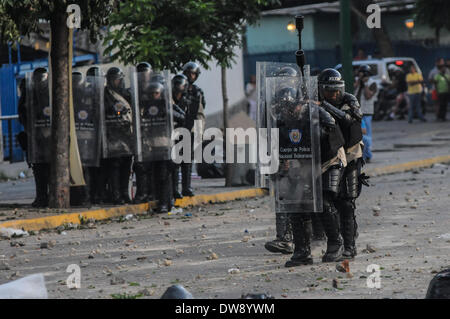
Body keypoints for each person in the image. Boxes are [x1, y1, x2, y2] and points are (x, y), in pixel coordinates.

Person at [318, 68, 367, 261]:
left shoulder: (349, 99)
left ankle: (350, 247)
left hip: (352, 152)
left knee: (347, 202)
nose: (335, 94)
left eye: (337, 89)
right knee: (331, 198)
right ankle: (336, 242)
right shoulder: (317, 101)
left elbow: (352, 119)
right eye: (330, 90)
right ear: (322, 89)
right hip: (333, 153)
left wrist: (325, 106)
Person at [18, 68, 50, 208]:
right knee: (39, 169)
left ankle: (46, 196)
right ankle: (41, 196)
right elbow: (23, 113)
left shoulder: (50, 91)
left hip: (48, 136)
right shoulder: (29, 92)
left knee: (47, 168)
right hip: (35, 137)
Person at [103, 67, 134, 205]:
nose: (117, 82)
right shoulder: (106, 95)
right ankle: (115, 195)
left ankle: (124, 193)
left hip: (126, 137)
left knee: (126, 166)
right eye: (115, 80)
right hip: (112, 136)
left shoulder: (126, 94)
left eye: (119, 79)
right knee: (114, 167)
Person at [181, 62, 206, 197]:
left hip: (191, 129)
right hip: (178, 127)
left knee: (188, 159)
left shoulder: (198, 91)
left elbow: (200, 112)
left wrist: (199, 131)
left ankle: (186, 187)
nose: (191, 76)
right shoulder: (178, 86)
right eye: (189, 73)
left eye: (194, 74)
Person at [133, 62, 153, 204]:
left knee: (153, 165)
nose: (144, 78)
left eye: (146, 75)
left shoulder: (156, 91)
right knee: (139, 165)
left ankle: (152, 192)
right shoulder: (132, 92)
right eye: (142, 75)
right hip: (138, 133)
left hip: (153, 132)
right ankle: (141, 192)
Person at [171, 74, 188, 202]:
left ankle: (185, 187)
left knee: (185, 160)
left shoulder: (187, 100)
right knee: (174, 162)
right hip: (171, 132)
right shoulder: (169, 99)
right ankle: (174, 189)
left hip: (185, 132)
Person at [354, 65, 377, 163]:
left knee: (367, 136)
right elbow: (352, 90)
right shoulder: (357, 81)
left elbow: (368, 96)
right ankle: (361, 154)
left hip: (367, 112)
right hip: (357, 112)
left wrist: (365, 83)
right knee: (358, 135)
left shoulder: (373, 83)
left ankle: (368, 155)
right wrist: (359, 81)